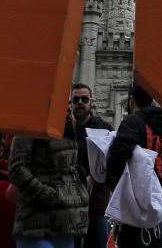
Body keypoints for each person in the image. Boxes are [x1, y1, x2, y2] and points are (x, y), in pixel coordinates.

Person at [106, 83, 162, 248]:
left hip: (138, 212)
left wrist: (113, 184)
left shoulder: (133, 122)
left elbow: (116, 159)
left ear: (131, 100)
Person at [8, 119, 88, 248]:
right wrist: (47, 194)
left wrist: (79, 194)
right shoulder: (31, 121)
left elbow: (71, 167)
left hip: (67, 221)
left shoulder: (68, 123)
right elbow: (16, 169)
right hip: (36, 221)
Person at [69, 83, 113, 248]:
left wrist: (95, 177)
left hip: (96, 208)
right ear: (71, 103)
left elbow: (114, 162)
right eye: (76, 99)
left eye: (84, 99)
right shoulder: (65, 130)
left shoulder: (104, 128)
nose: (80, 102)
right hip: (69, 208)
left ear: (91, 102)